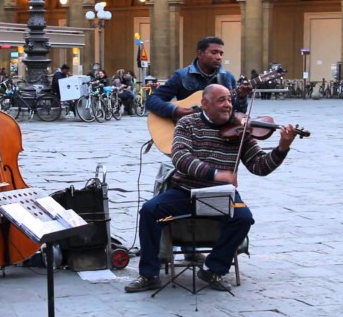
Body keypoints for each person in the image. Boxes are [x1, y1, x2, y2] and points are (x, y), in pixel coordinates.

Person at [125, 84, 297, 293]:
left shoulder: (242, 131)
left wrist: (282, 148)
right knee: (152, 213)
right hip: (184, 194)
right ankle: (149, 274)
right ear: (205, 103)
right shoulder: (188, 123)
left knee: (242, 219)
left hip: (221, 197)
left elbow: (260, 166)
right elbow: (181, 157)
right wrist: (215, 174)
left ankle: (212, 268)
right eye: (221, 100)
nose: (228, 105)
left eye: (229, 100)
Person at [145, 36, 251, 121]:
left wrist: (242, 97)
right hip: (188, 132)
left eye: (221, 53)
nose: (219, 57)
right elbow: (152, 101)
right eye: (214, 53)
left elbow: (237, 113)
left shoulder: (227, 77)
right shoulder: (182, 75)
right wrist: (176, 110)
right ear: (200, 54)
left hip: (218, 134)